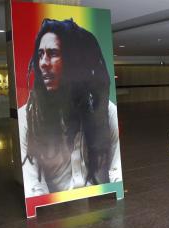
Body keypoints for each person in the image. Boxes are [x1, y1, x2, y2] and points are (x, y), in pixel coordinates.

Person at [19, 18, 122, 197]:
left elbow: (116, 170)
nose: (43, 62)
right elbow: (32, 184)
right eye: (41, 54)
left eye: (53, 53)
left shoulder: (106, 112)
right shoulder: (28, 119)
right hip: (55, 213)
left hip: (99, 203)